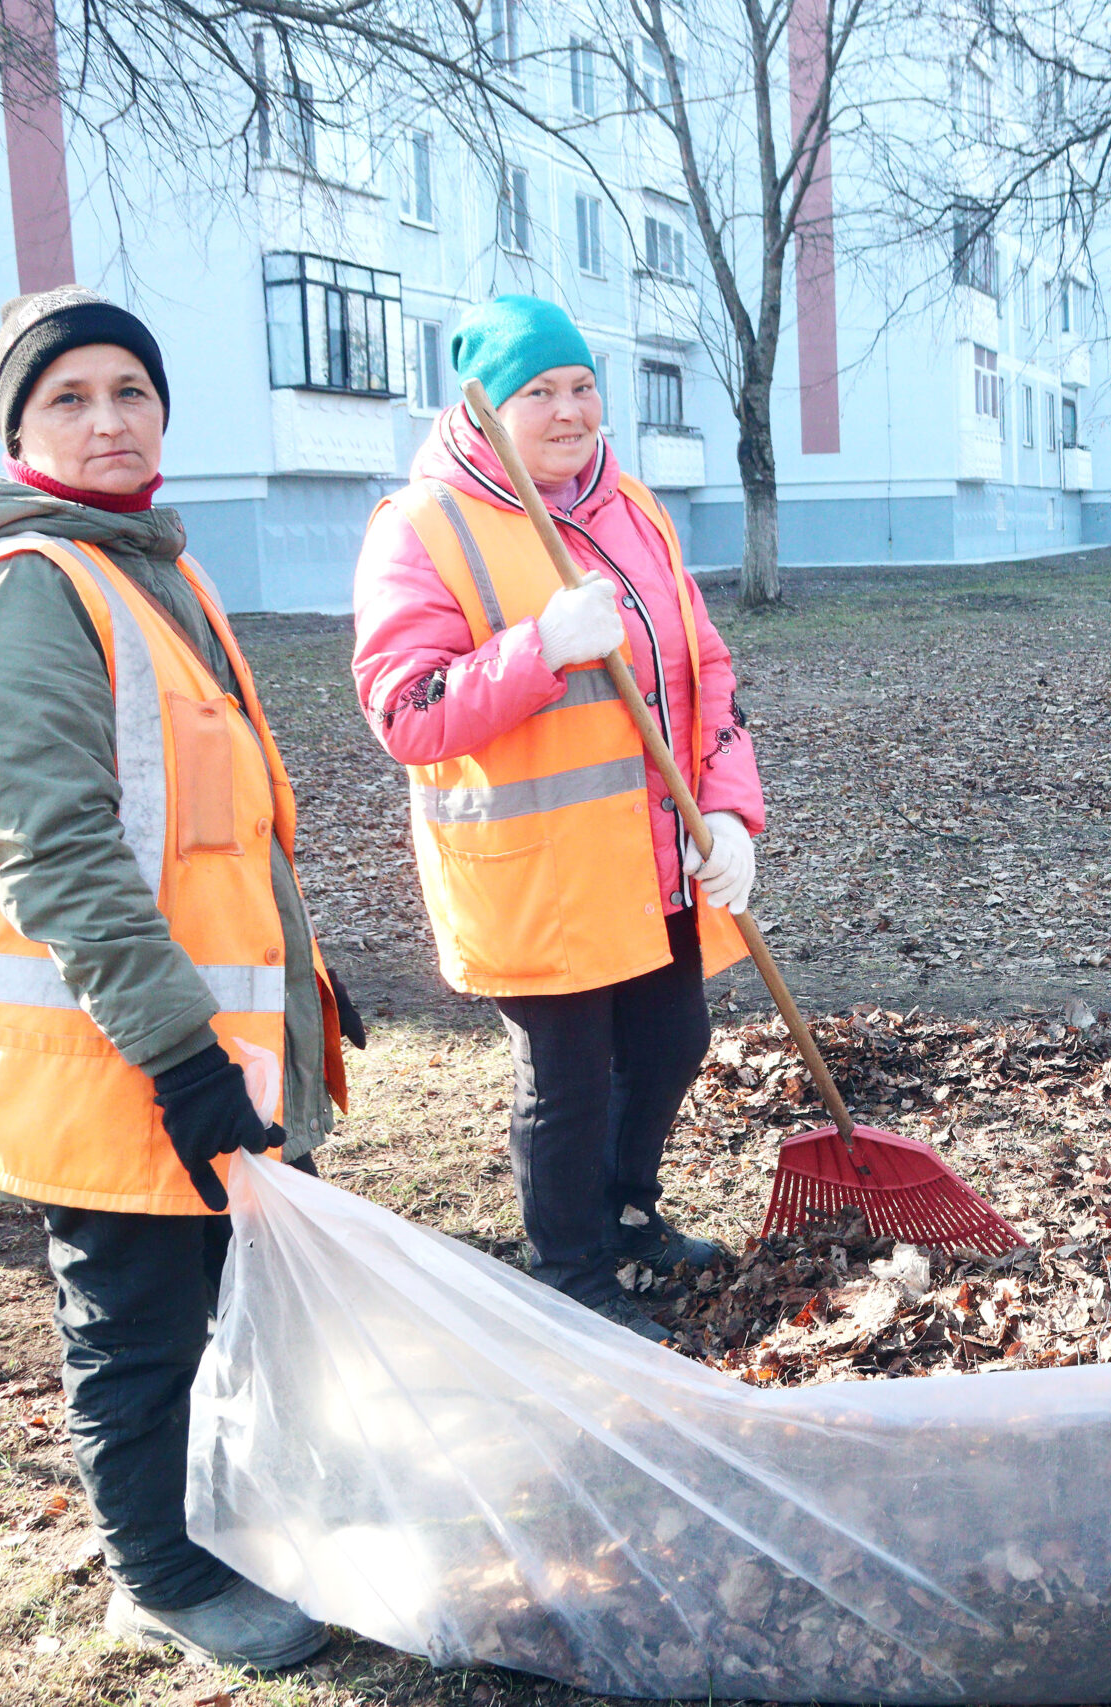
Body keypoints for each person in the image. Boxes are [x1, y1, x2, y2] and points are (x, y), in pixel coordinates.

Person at [0, 287, 357, 1667]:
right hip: (109, 1056)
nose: (108, 420)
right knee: (138, 1319)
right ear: (20, 428)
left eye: (130, 392)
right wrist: (180, 1051)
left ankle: (217, 1526)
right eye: (69, 398)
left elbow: (217, 829)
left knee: (219, 1298)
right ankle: (158, 1572)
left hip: (198, 1036)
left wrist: (295, 990)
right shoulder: (25, 590)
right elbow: (62, 859)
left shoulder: (147, 560)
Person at [350, 295, 763, 1342]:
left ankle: (625, 1213)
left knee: (671, 1041)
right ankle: (569, 1269)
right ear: (483, 408)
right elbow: (407, 713)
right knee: (568, 1082)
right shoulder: (424, 527)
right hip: (538, 866)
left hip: (655, 853)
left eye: (582, 386)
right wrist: (538, 649)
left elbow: (704, 667)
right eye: (539, 393)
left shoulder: (632, 506)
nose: (571, 411)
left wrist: (729, 811)